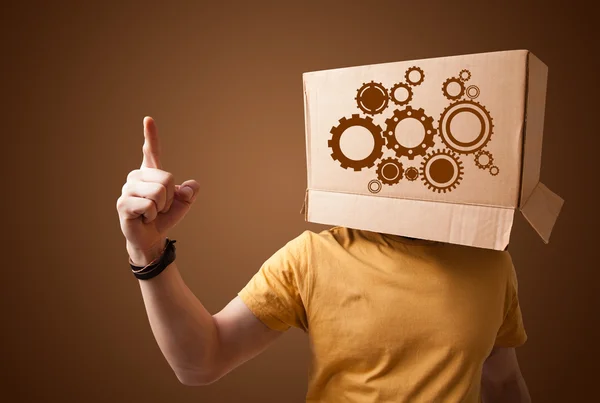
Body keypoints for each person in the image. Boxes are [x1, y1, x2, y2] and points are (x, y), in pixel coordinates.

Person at [116, 116, 532, 403]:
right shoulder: (312, 258)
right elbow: (201, 362)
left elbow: (505, 381)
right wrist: (148, 251)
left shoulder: (491, 264)